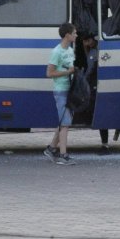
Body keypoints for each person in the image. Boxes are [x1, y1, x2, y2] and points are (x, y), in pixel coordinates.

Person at [44, 22, 78, 165]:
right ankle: (63, 155)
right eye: (74, 33)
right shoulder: (56, 52)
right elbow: (49, 73)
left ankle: (51, 149)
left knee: (64, 122)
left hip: (69, 89)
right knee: (65, 124)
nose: (76, 35)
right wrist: (67, 72)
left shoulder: (70, 50)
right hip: (60, 89)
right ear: (67, 35)